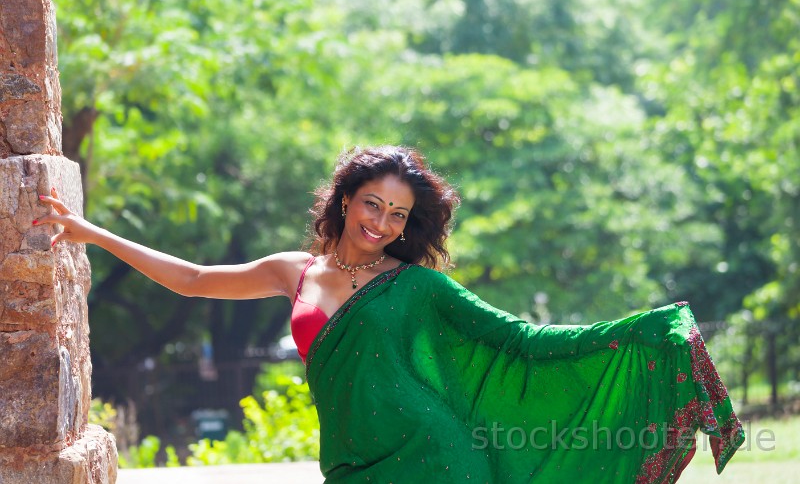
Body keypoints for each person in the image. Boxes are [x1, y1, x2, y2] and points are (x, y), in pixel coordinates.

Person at [34, 145, 744, 483]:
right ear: (346, 198)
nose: (380, 222)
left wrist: (646, 331)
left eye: (397, 215)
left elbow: (525, 341)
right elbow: (192, 279)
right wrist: (95, 233)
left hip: (436, 461)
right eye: (372, 203)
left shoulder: (418, 285)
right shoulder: (296, 271)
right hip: (353, 464)